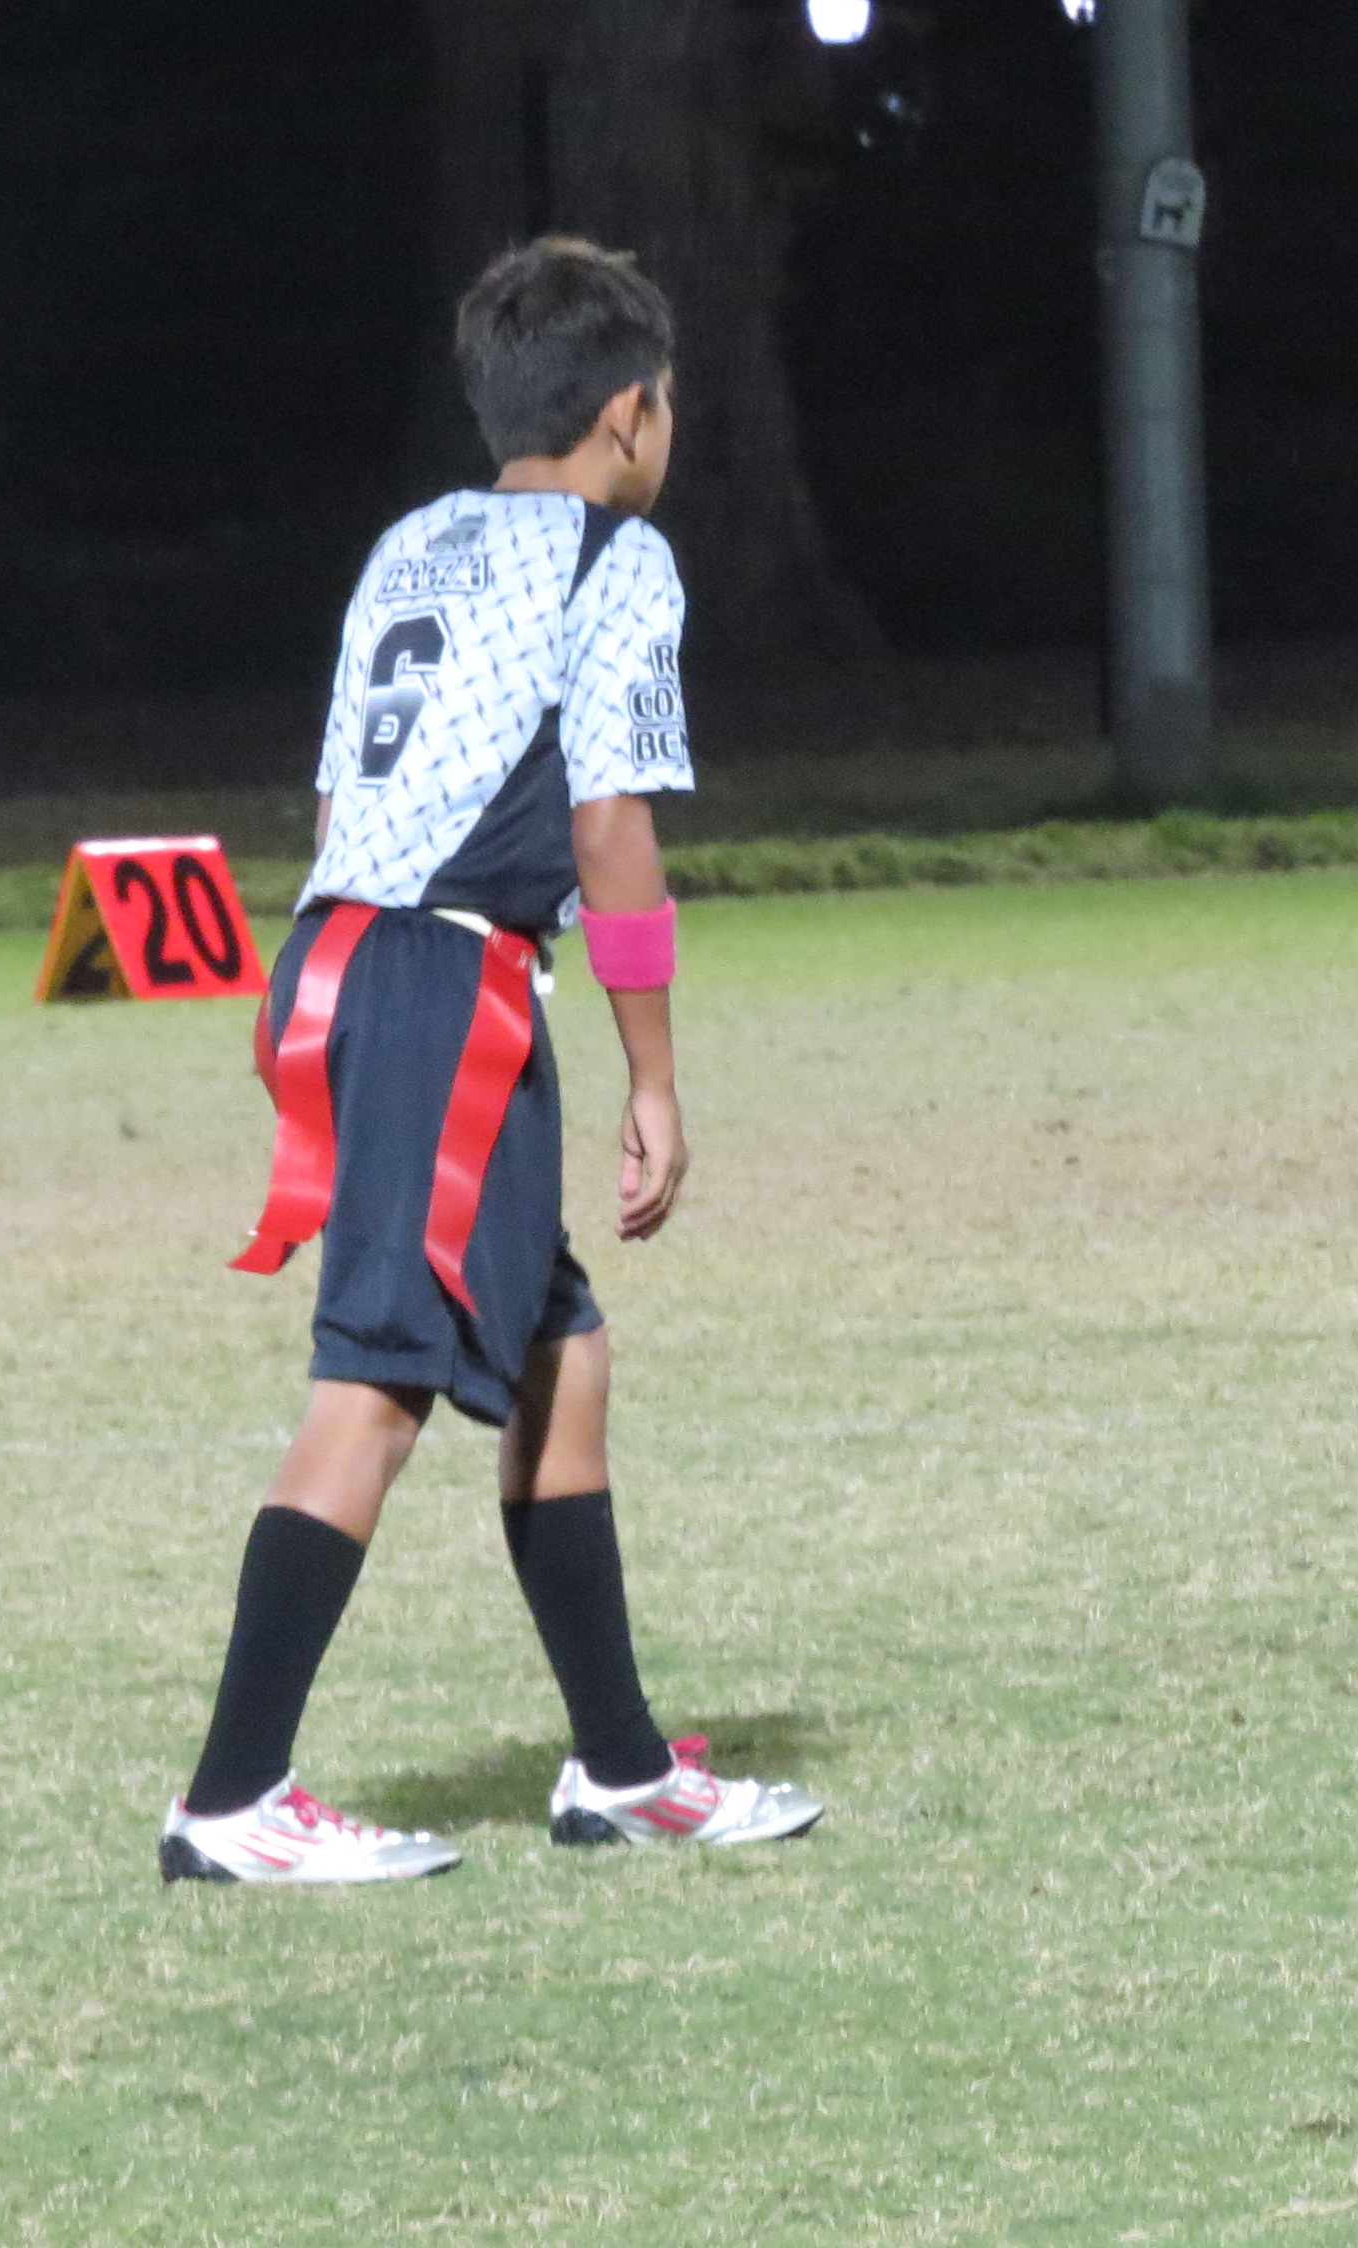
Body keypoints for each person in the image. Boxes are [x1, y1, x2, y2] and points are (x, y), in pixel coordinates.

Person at [158, 238, 823, 1886]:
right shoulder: (619, 559)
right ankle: (233, 1799)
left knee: (556, 1354)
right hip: (443, 985)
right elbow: (610, 828)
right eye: (669, 405)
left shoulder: (413, 541)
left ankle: (622, 1770)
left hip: (349, 957)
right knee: (376, 1382)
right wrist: (653, 1077)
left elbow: (340, 802)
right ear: (629, 412)